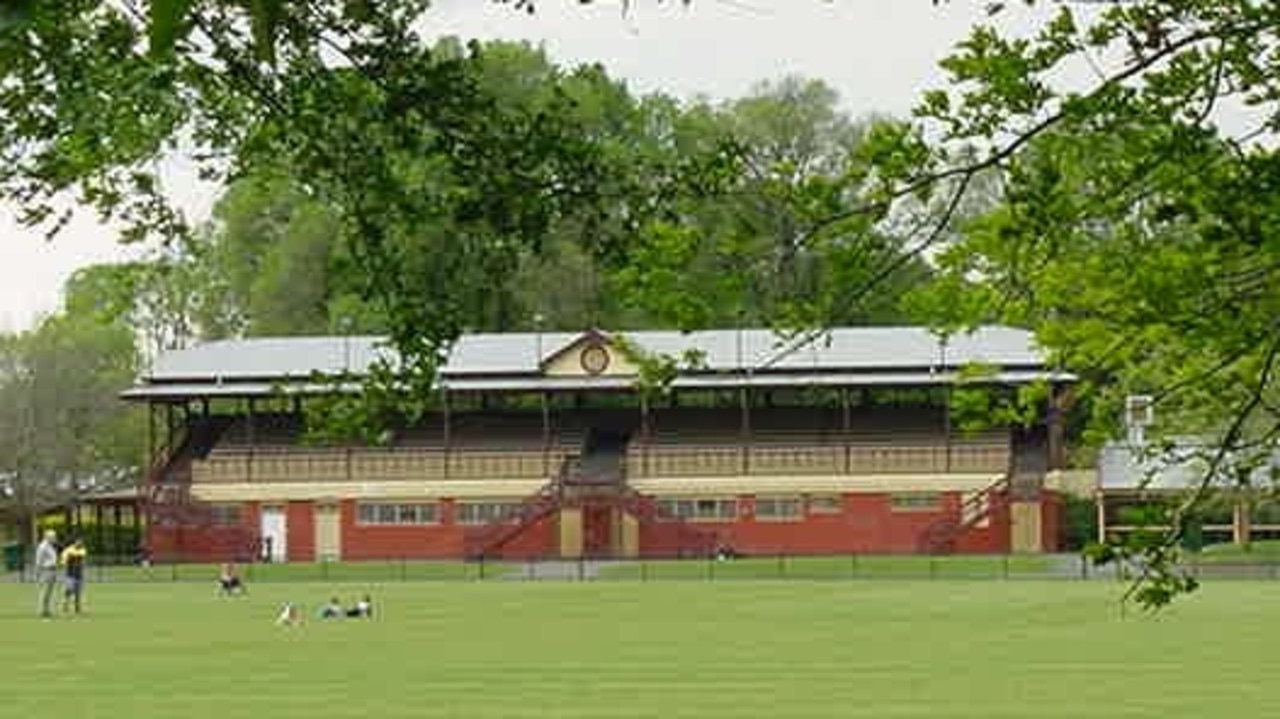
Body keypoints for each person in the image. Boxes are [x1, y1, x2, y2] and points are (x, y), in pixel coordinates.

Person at [34, 529, 59, 618]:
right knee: (45, 592)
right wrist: (37, 573)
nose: (55, 538)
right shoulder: (42, 546)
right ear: (48, 537)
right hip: (46, 571)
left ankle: (47, 610)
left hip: (53, 570)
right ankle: (42, 610)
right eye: (53, 537)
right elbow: (38, 560)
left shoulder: (51, 546)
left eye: (54, 536)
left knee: (49, 592)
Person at [59, 538, 88, 615]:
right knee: (68, 591)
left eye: (81, 542)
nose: (80, 543)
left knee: (78, 593)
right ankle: (65, 606)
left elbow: (82, 559)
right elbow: (63, 561)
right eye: (78, 542)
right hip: (70, 574)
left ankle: (77, 609)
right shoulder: (68, 550)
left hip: (79, 574)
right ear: (75, 542)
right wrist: (65, 562)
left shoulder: (83, 550)